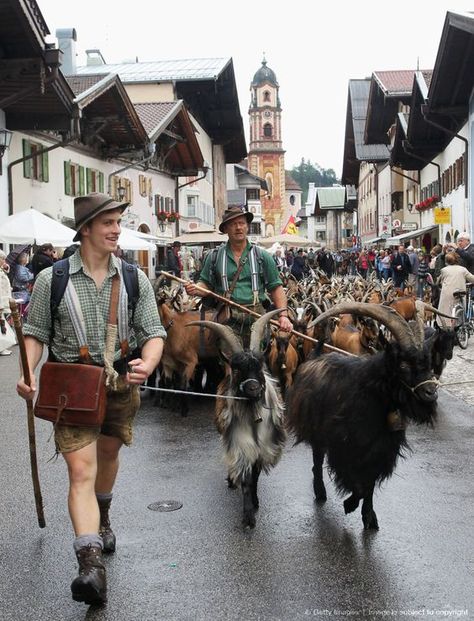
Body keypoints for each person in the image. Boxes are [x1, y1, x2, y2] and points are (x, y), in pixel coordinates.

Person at [16, 192, 166, 606]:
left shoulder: (134, 278)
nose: (117, 230)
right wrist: (27, 374)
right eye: (108, 223)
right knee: (81, 470)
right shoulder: (53, 279)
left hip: (120, 383)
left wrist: (148, 363)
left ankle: (103, 517)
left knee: (108, 456)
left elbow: (154, 331)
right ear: (86, 229)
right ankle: (90, 564)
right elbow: (35, 335)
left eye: (118, 222)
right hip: (71, 387)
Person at [184, 206, 292, 347]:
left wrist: (284, 316)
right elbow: (205, 283)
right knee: (231, 361)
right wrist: (196, 289)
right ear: (226, 229)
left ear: (247, 227)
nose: (238, 227)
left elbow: (276, 288)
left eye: (241, 223)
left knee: (257, 360)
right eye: (233, 224)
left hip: (256, 317)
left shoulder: (262, 256)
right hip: (227, 318)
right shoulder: (214, 257)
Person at [437, 252, 474, 327]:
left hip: (447, 293)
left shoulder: (444, 270)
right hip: (460, 292)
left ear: (446, 261)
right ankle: (461, 324)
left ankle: (443, 325)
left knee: (445, 310)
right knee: (461, 306)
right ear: (457, 260)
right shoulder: (463, 270)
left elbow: (439, 281)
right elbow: (472, 279)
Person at [0, 250, 13, 355]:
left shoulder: (1, 270)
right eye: (2, 259)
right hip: (1, 300)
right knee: (2, 324)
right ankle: (1, 347)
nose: (4, 261)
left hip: (3, 299)